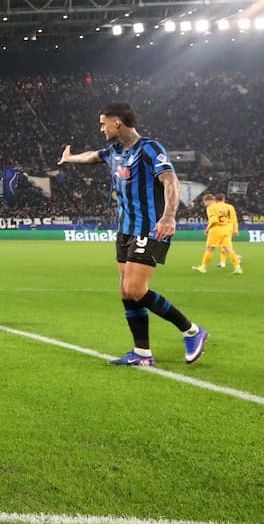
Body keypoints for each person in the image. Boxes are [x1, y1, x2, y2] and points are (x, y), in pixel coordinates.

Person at [58, 102, 208, 366]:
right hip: (125, 229)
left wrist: (169, 216)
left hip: (150, 228)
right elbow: (92, 156)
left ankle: (192, 331)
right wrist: (70, 158)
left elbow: (171, 181)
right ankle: (142, 353)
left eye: (103, 123)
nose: (101, 128)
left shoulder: (150, 148)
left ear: (117, 122)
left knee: (135, 289)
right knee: (126, 292)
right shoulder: (114, 151)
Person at [194, 194, 241, 274]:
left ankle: (203, 267)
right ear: (223, 199)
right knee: (229, 249)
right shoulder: (230, 207)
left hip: (216, 229)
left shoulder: (211, 208)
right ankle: (237, 268)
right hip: (227, 229)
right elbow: (234, 220)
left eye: (205, 202)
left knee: (210, 249)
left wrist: (207, 228)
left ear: (212, 200)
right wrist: (236, 230)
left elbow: (214, 220)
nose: (205, 204)